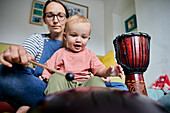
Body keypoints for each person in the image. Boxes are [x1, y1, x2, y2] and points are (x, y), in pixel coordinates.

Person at [0, 0, 69, 111]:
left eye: (60, 16)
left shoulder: (75, 44)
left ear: (66, 19)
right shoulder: (37, 39)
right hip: (40, 89)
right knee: (4, 71)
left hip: (67, 91)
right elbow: (26, 52)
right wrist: (18, 55)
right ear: (44, 20)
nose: (55, 20)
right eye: (50, 16)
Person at [40, 15, 124, 95]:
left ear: (88, 38)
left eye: (83, 37)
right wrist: (46, 75)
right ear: (65, 36)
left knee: (96, 80)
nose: (78, 40)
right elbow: (48, 67)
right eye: (74, 35)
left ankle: (97, 106)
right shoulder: (60, 53)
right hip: (65, 86)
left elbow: (99, 70)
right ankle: (55, 104)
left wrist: (108, 71)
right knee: (56, 77)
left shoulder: (89, 54)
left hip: (85, 86)